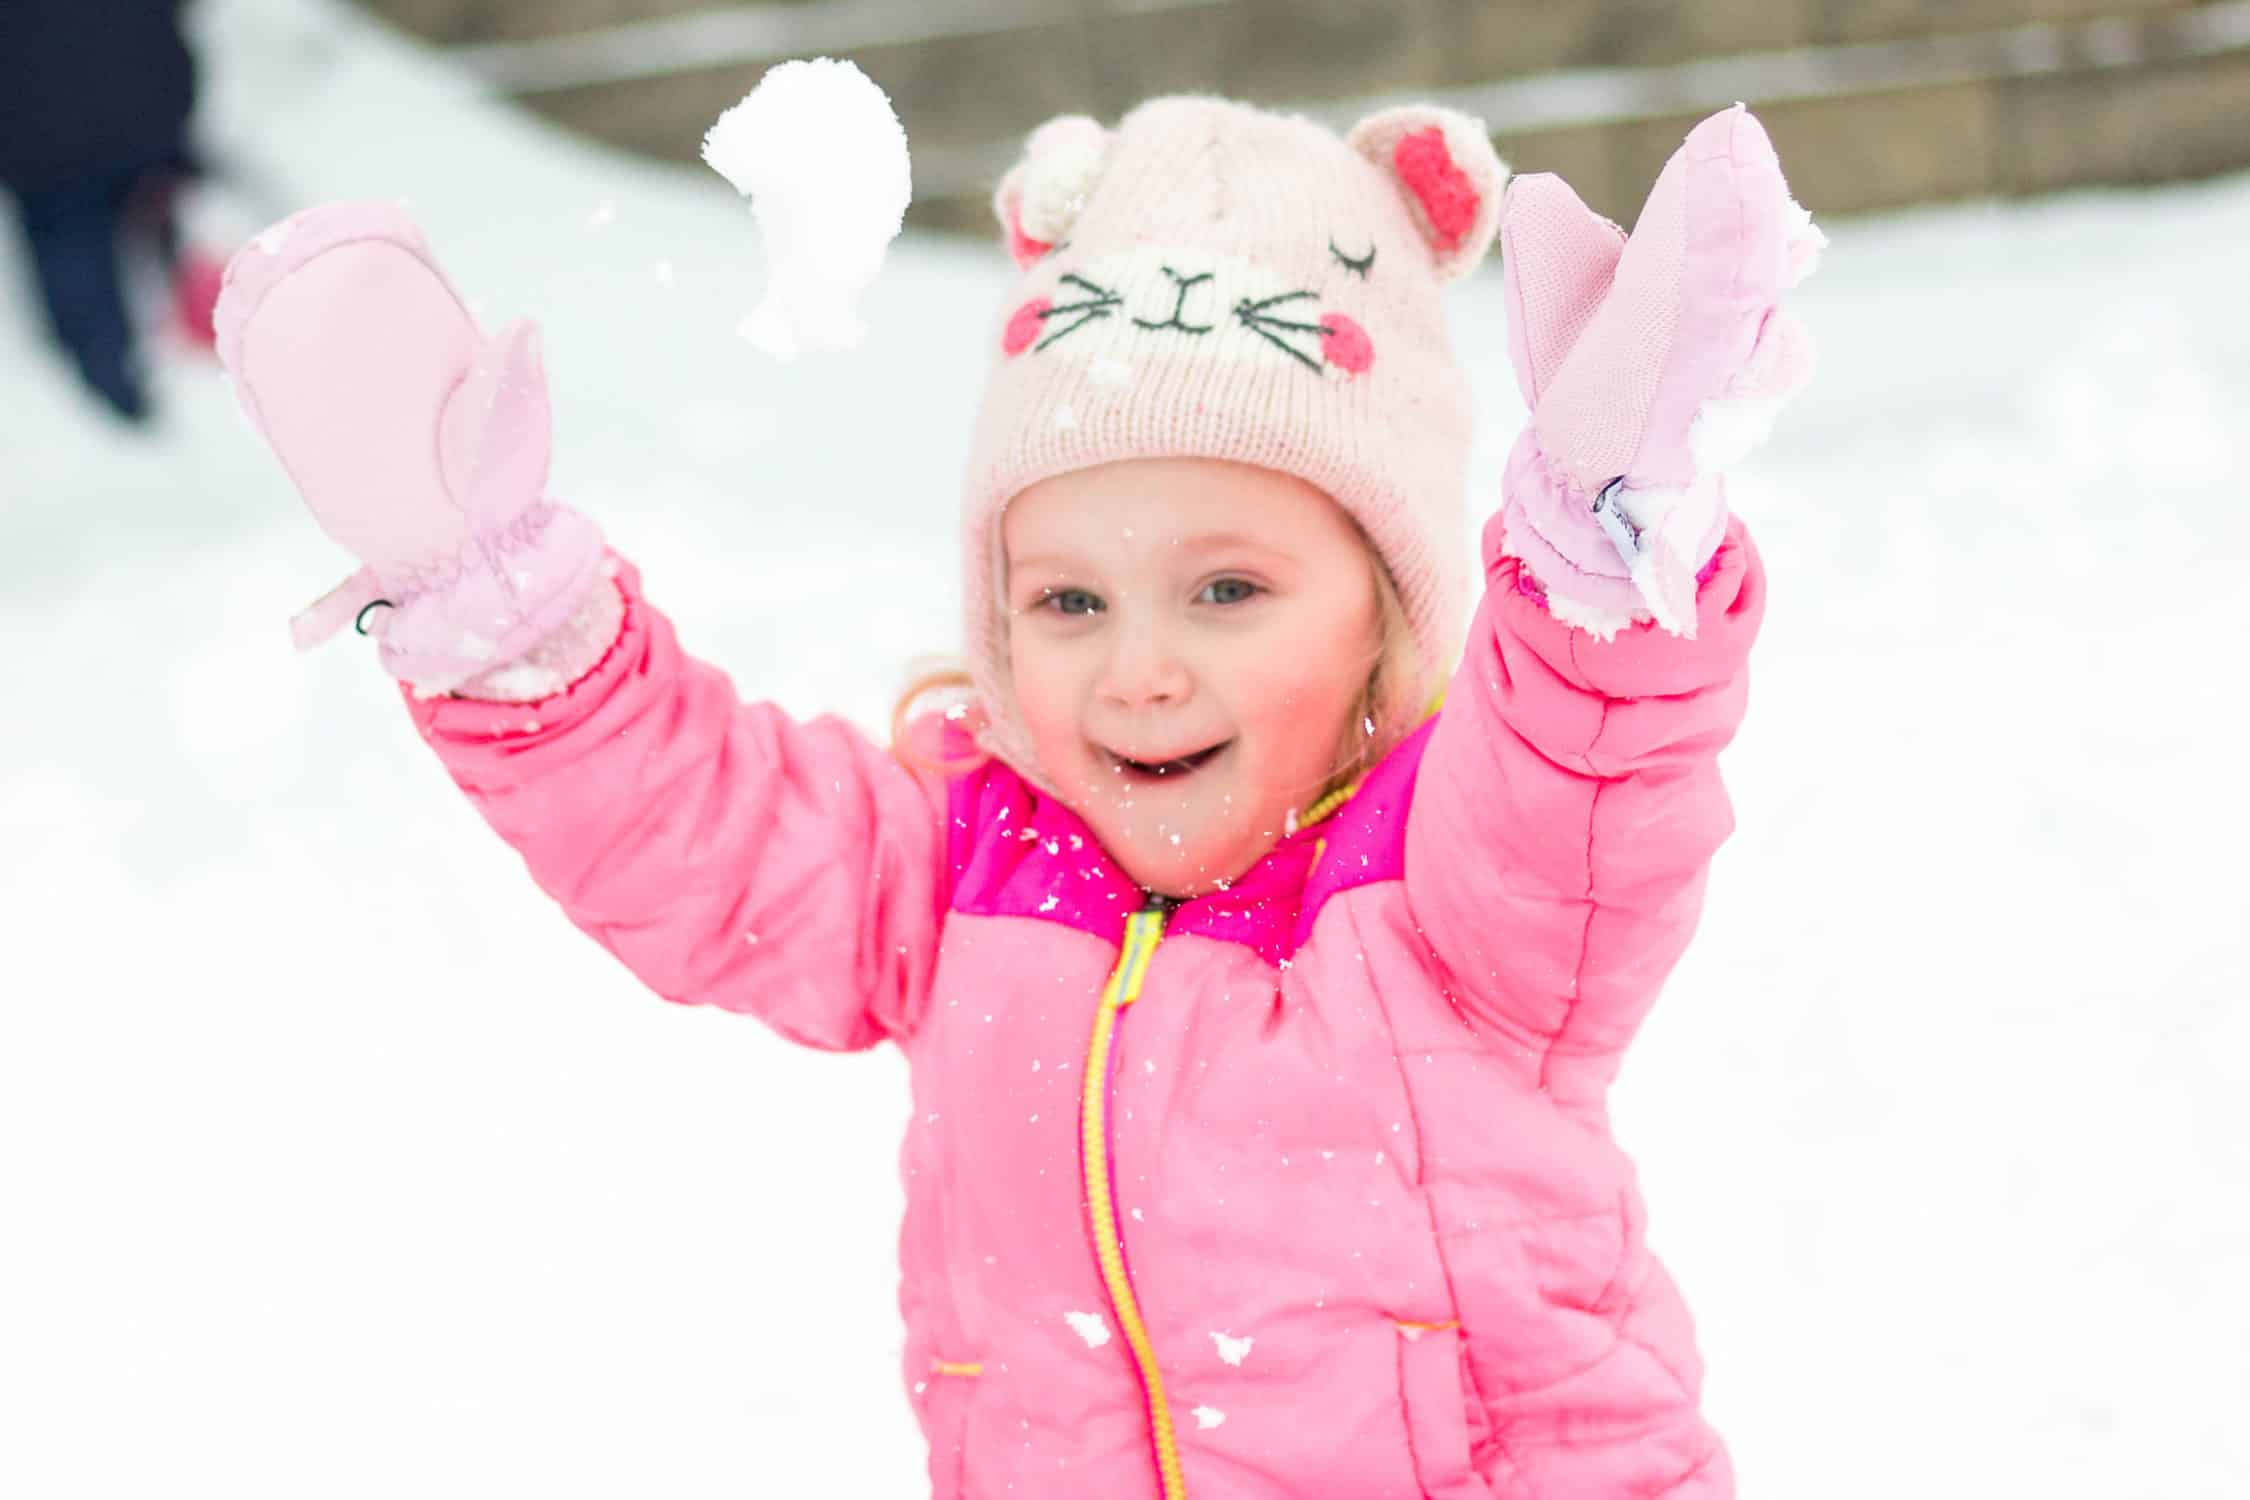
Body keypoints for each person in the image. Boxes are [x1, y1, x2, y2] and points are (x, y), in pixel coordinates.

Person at [212, 96, 1819, 1499]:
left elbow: (1594, 764)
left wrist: (1601, 552)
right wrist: (518, 627)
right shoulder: (962, 866)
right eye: (1066, 603)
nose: (1136, 670)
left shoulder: (1453, 890)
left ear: (1382, 607)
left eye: (1227, 590)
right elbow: (703, 832)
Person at [0, 0, 202, 423]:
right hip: (140, 100)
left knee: (74, 266)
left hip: (38, 140)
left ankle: (113, 374)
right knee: (161, 220)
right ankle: (206, 335)